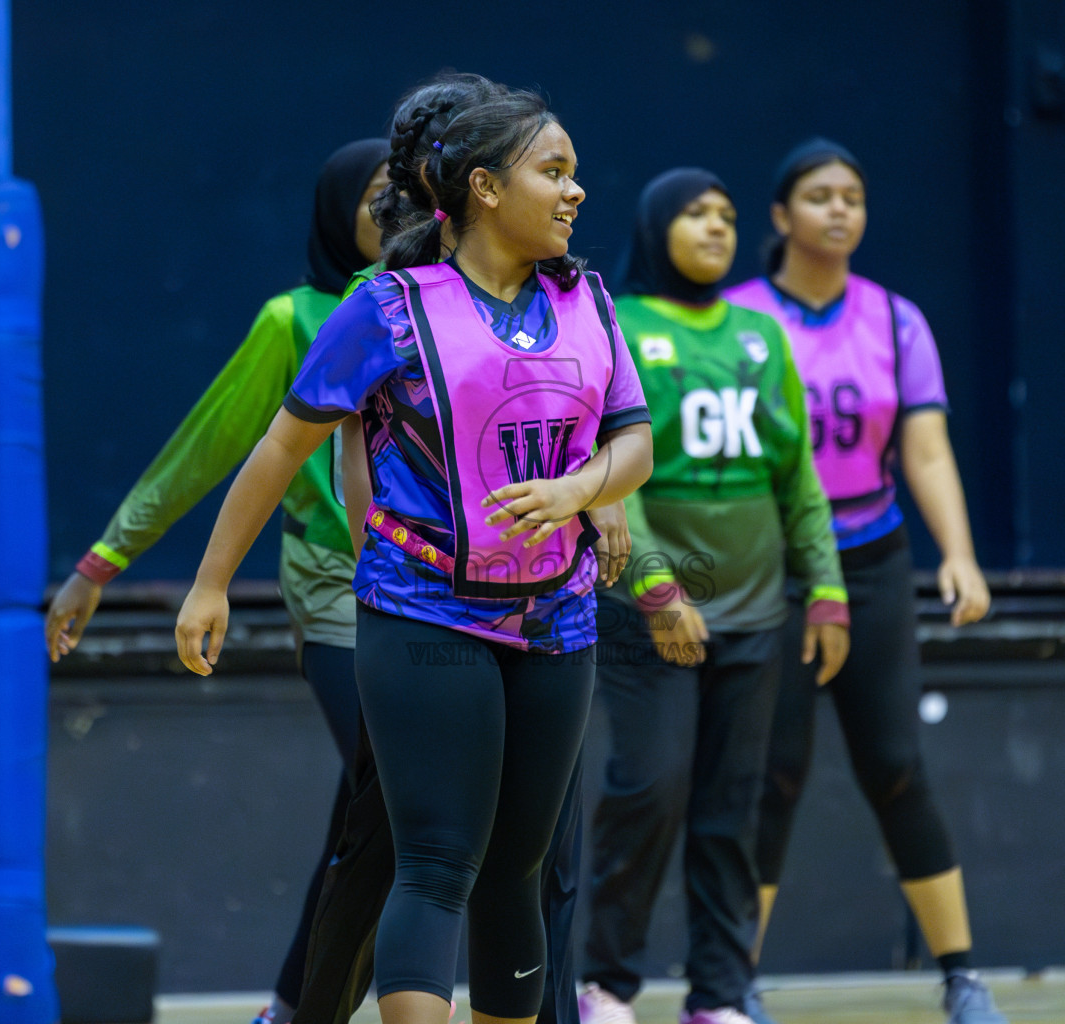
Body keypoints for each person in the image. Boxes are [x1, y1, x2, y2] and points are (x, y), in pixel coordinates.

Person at [174, 74, 654, 1024]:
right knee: (437, 863)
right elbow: (282, 447)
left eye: (575, 174)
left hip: (558, 615)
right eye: (552, 172)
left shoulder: (590, 302)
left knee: (516, 872)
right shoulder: (388, 308)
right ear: (482, 187)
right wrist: (211, 583)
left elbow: (633, 443)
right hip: (424, 611)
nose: (575, 192)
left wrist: (579, 489)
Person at [42, 136, 390, 1024]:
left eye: (413, 197)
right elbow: (205, 450)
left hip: (449, 598)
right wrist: (101, 563)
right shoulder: (296, 320)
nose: (399, 215)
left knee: (375, 808)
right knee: (385, 790)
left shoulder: (460, 307)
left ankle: (289, 1005)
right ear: (338, 211)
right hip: (336, 592)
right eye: (379, 197)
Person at [724, 138, 1004, 1024]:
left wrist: (956, 553)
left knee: (895, 765)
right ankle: (733, 985)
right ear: (781, 217)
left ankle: (961, 975)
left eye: (853, 195)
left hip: (873, 559)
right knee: (772, 772)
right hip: (773, 567)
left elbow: (924, 449)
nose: (840, 209)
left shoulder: (895, 320)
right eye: (819, 195)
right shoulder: (736, 319)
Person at [577, 169, 849, 1024]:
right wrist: (657, 590)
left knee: (734, 806)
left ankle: (721, 995)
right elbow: (614, 481)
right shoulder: (618, 325)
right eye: (696, 214)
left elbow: (797, 475)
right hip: (646, 616)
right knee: (648, 789)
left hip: (758, 617)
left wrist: (830, 589)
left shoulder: (762, 335)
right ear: (659, 227)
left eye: (727, 216)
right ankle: (608, 985)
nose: (716, 228)